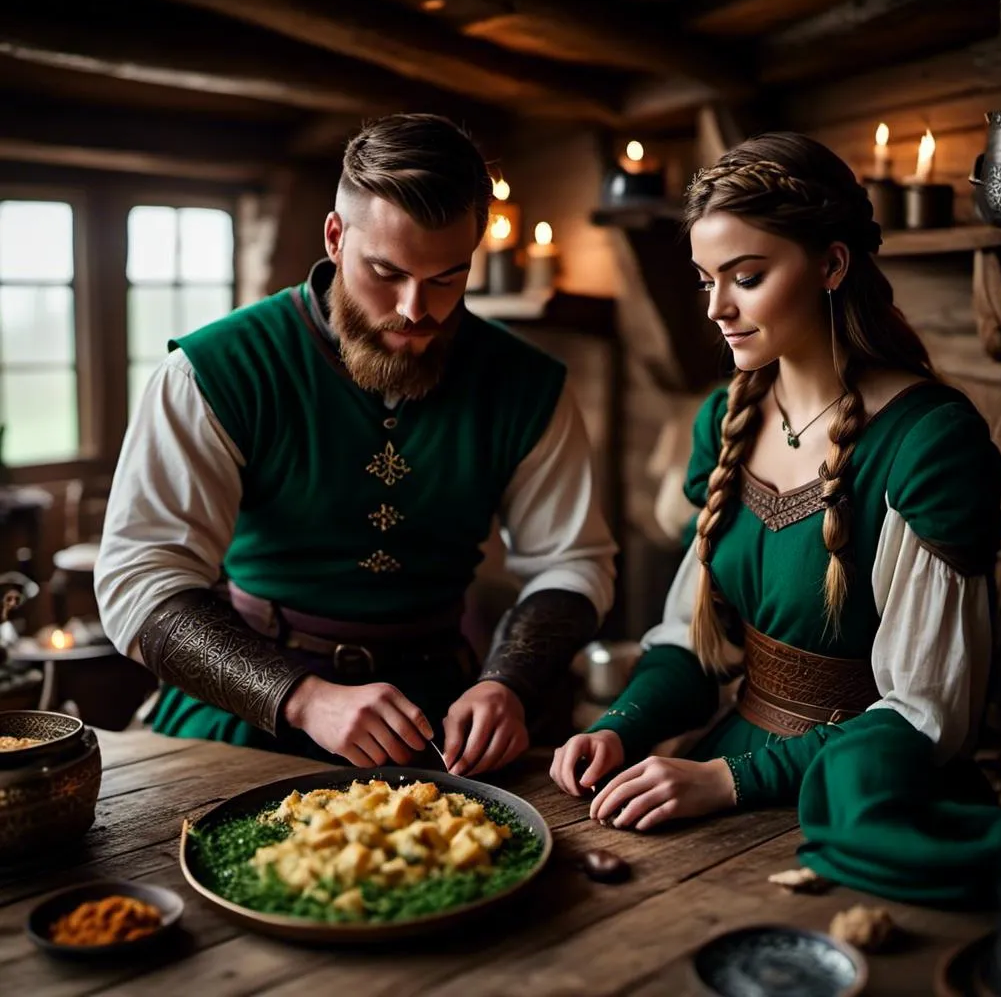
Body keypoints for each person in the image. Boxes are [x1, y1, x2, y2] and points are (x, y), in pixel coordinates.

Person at [550, 131, 1001, 905]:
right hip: (725, 764)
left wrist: (727, 779)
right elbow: (693, 640)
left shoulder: (929, 440)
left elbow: (927, 714)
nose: (717, 308)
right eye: (707, 280)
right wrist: (624, 727)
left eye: (747, 277)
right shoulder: (724, 420)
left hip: (854, 795)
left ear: (832, 265)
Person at [96, 113, 616, 777]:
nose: (414, 310)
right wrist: (302, 698)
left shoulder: (529, 387)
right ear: (336, 237)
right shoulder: (213, 372)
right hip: (239, 720)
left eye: (446, 279)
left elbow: (573, 564)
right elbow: (139, 580)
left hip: (441, 723)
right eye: (386, 272)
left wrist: (506, 683)